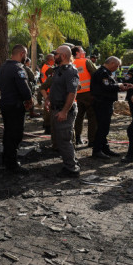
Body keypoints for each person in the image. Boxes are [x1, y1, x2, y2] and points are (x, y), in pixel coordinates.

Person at [0, 45, 34, 173]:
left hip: (5, 103)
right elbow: (24, 89)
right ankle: (12, 164)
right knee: (15, 134)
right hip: (15, 106)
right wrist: (29, 100)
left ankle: (5, 159)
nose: (26, 57)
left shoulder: (3, 67)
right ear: (22, 53)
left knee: (8, 132)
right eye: (26, 54)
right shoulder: (18, 69)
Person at [45, 45, 80, 177]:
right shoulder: (59, 69)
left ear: (63, 56)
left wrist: (64, 111)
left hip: (63, 111)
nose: (54, 56)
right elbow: (55, 87)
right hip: (56, 109)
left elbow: (72, 93)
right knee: (61, 140)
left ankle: (71, 169)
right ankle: (70, 163)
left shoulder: (71, 71)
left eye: (56, 54)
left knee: (65, 141)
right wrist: (48, 98)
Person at [90, 56, 133, 159]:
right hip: (102, 103)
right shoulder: (103, 73)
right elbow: (106, 87)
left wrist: (119, 85)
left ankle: (104, 148)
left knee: (105, 127)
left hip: (105, 102)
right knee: (102, 127)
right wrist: (119, 86)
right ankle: (97, 150)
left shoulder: (106, 72)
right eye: (117, 66)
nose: (117, 68)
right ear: (112, 63)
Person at [72, 46, 97, 146]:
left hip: (75, 94)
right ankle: (92, 141)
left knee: (78, 117)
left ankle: (77, 138)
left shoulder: (70, 63)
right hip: (88, 94)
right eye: (83, 51)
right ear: (77, 53)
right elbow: (96, 74)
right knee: (92, 117)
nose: (85, 52)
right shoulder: (86, 61)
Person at [39, 54, 55, 134]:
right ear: (50, 60)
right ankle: (48, 127)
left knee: (46, 109)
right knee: (48, 110)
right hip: (48, 91)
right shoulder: (49, 69)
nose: (55, 60)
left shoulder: (44, 66)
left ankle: (47, 125)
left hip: (46, 89)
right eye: (53, 59)